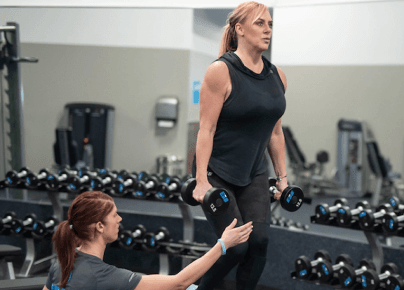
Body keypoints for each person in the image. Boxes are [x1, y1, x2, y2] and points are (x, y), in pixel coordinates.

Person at [191, 1, 288, 289]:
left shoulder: (277, 76)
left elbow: (275, 133)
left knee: (259, 243)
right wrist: (199, 181)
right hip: (217, 171)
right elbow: (205, 130)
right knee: (235, 247)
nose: (267, 30)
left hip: (254, 172)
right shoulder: (221, 71)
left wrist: (283, 180)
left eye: (270, 24)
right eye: (260, 23)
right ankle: (196, 287)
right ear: (239, 29)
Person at [42, 191, 253, 290]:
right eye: (114, 215)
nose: (119, 219)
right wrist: (222, 244)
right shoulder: (103, 276)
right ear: (99, 226)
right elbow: (179, 282)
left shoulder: (60, 264)